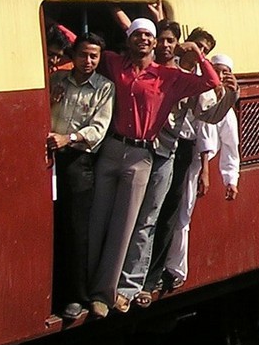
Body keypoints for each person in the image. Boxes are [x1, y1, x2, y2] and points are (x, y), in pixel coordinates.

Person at [85, 18, 222, 317]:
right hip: (111, 148)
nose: (144, 40)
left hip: (142, 154)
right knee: (97, 219)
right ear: (130, 39)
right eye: (139, 35)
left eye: (149, 35)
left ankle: (107, 293)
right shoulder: (114, 63)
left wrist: (199, 56)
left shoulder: (169, 77)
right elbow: (84, 49)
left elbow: (212, 84)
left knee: (127, 224)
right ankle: (89, 285)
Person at [150, 52, 242, 295]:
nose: (221, 75)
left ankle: (175, 270)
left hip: (194, 164)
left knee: (181, 216)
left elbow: (230, 145)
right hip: (177, 155)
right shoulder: (198, 93)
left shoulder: (225, 110)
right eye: (217, 70)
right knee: (161, 212)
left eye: (225, 71)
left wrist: (228, 178)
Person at [47, 32, 114, 321]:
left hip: (78, 159)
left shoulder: (104, 88)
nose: (88, 61)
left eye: (94, 56)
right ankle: (55, 291)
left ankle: (76, 296)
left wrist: (68, 138)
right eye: (84, 54)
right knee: (54, 224)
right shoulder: (56, 82)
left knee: (77, 230)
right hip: (50, 158)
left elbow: (98, 130)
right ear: (73, 55)